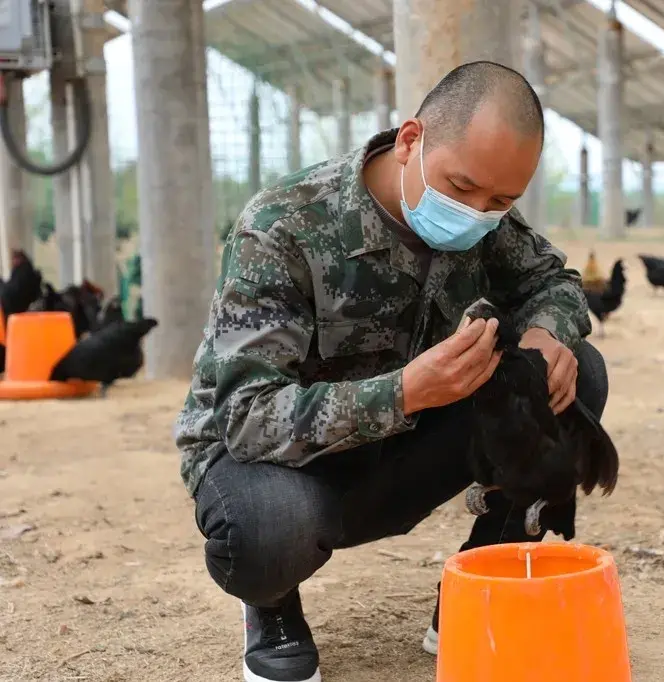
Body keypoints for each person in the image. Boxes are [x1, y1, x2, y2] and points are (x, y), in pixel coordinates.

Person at [173, 61, 609, 682]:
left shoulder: (481, 217)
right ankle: (270, 607)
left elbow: (553, 280)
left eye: (502, 201)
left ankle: (479, 590)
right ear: (410, 141)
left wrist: (547, 333)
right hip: (285, 464)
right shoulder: (285, 227)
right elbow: (246, 418)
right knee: (268, 529)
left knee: (573, 376)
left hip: (404, 446)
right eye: (462, 189)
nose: (478, 214)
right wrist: (405, 392)